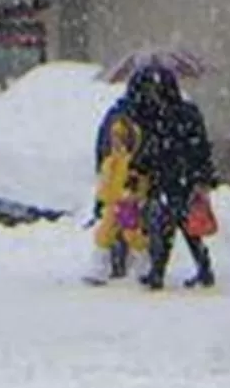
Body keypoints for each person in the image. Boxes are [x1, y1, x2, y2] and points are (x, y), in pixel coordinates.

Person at [127, 66, 216, 290]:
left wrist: (140, 168)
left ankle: (159, 272)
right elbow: (201, 146)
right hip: (185, 177)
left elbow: (151, 148)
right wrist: (203, 175)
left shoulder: (158, 116)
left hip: (166, 177)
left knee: (165, 228)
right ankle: (203, 269)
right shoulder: (188, 113)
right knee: (187, 227)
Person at [90, 113, 149, 282]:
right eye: (114, 137)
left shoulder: (133, 163)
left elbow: (141, 184)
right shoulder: (111, 161)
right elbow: (105, 181)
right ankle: (98, 270)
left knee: (133, 236)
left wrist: (135, 196)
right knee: (103, 235)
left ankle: (143, 267)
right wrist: (101, 199)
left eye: (120, 138)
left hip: (127, 204)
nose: (116, 141)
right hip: (112, 204)